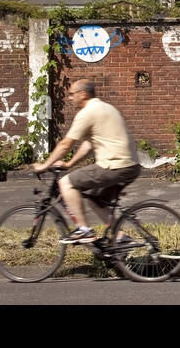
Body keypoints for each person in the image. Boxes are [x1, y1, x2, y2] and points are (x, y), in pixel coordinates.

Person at [32, 78, 141, 244]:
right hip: (130, 166)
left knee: (66, 183)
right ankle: (120, 237)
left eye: (71, 94)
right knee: (94, 199)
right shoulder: (106, 108)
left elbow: (65, 144)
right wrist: (69, 164)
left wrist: (44, 166)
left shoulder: (87, 112)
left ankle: (84, 230)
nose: (69, 98)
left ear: (82, 94)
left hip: (114, 165)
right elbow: (88, 144)